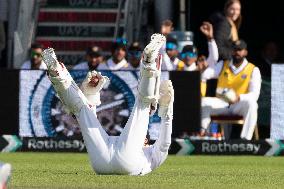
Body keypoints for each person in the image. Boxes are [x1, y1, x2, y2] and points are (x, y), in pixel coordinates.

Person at [41, 33, 174, 175]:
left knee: (83, 111)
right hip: (104, 164)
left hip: (110, 162)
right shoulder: (149, 153)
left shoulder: (146, 150)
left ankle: (149, 64)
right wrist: (167, 112)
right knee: (82, 110)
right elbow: (164, 145)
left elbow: (163, 145)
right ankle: (58, 75)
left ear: (145, 141)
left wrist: (167, 112)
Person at [200, 39, 261, 140]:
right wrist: (203, 69)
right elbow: (206, 75)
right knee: (204, 102)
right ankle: (203, 135)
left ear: (245, 52)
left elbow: (255, 95)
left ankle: (245, 140)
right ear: (231, 51)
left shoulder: (253, 69)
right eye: (235, 50)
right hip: (222, 102)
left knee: (253, 104)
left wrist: (239, 97)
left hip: (239, 104)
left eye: (240, 50)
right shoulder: (223, 65)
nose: (237, 52)